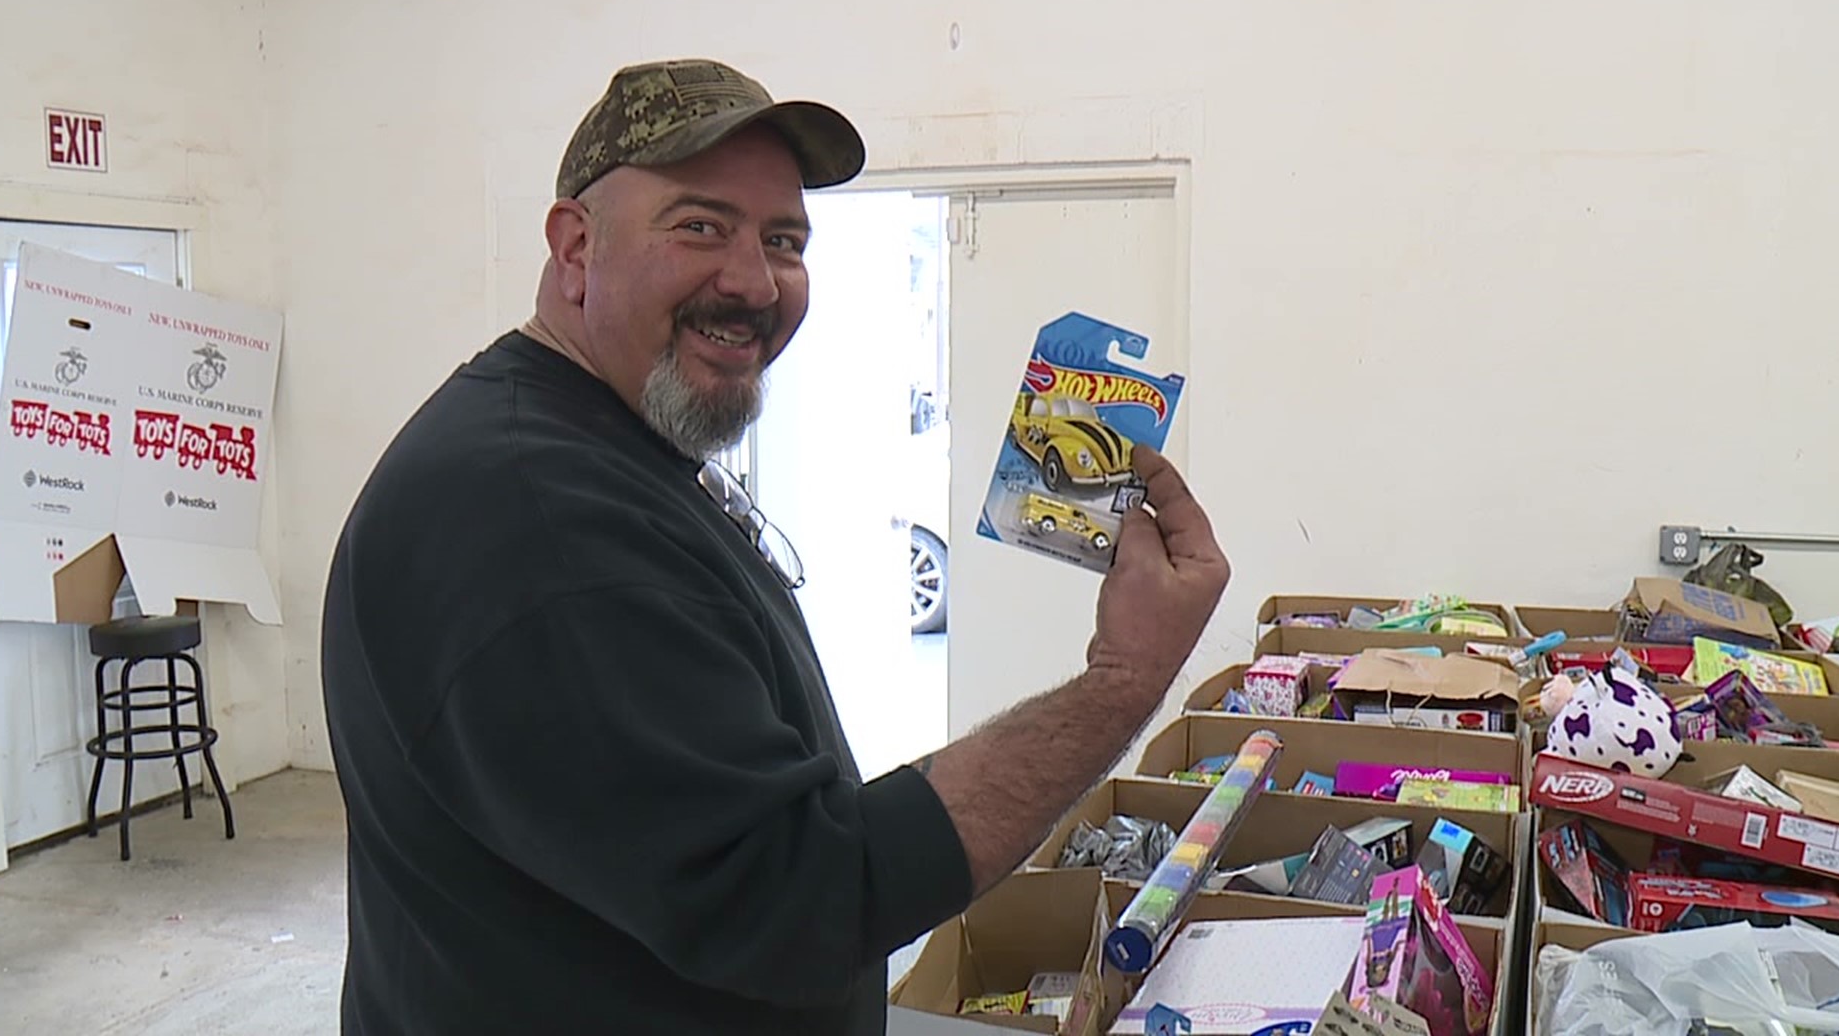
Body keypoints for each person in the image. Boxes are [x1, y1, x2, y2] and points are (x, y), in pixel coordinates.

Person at [320, 57, 1229, 1035]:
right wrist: (1124, 677)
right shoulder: (535, 520)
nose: (754, 283)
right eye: (700, 226)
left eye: (784, 240)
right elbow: (804, 898)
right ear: (576, 247)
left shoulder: (603, 447)